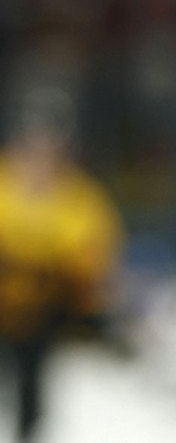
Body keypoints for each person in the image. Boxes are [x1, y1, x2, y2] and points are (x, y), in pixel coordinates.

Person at [0, 85, 123, 442]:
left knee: (31, 389)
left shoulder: (80, 193)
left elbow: (91, 254)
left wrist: (51, 266)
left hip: (44, 312)